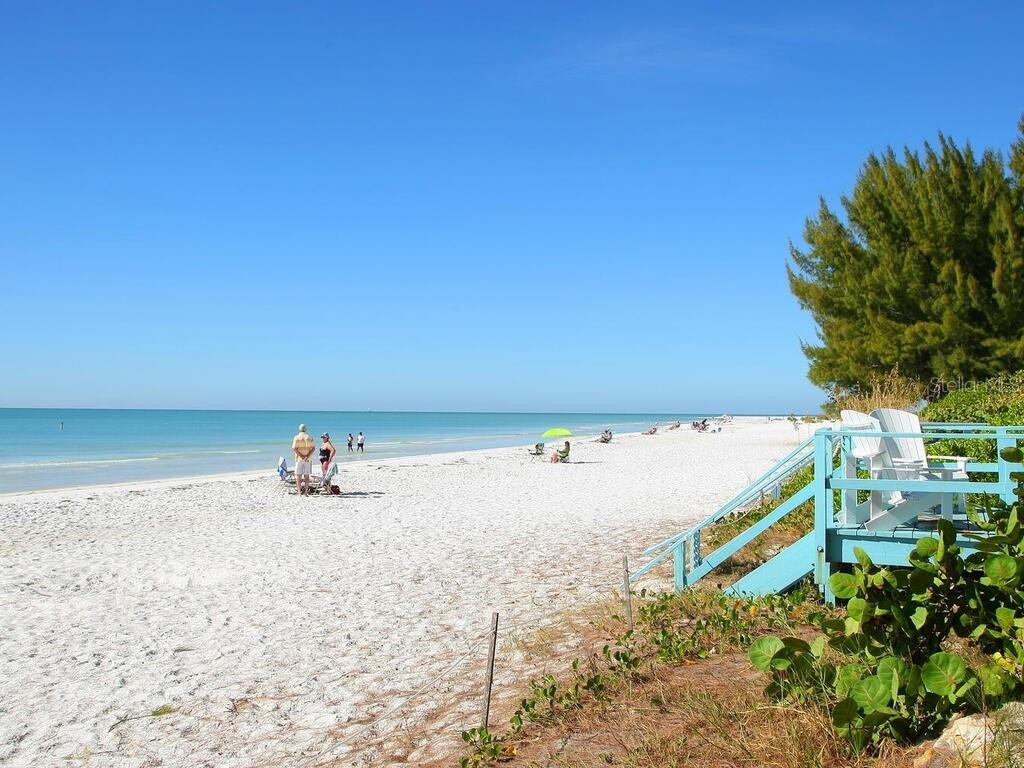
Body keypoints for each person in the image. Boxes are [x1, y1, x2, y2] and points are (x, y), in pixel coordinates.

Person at [291, 424, 316, 496]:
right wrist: (307, 456)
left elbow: (294, 448)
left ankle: (299, 492)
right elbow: (313, 448)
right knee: (306, 476)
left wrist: (301, 456)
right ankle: (306, 492)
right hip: (307, 459)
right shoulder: (309, 437)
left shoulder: (296, 437)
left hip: (299, 459)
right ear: (306, 429)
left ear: (299, 429)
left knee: (298, 476)